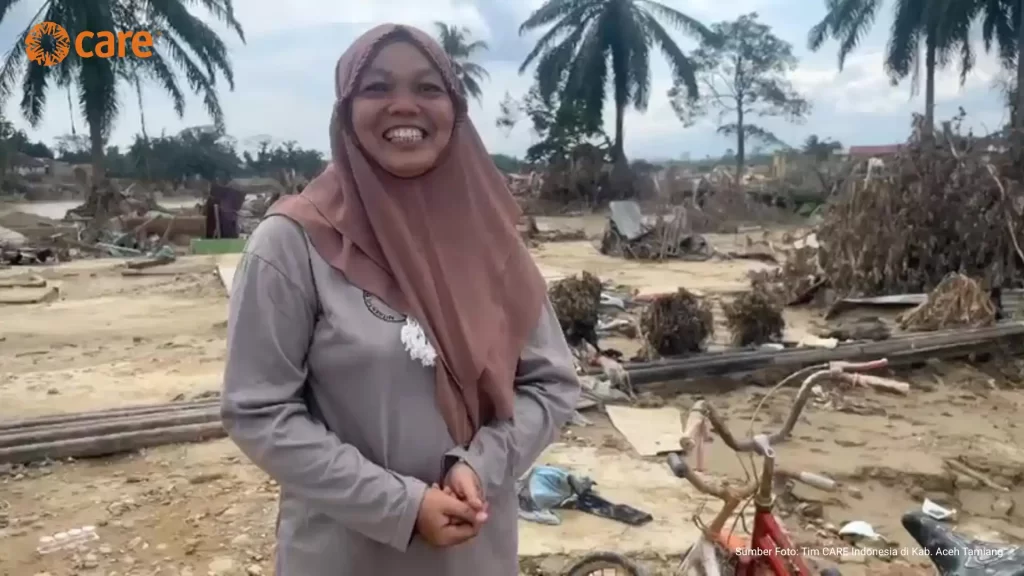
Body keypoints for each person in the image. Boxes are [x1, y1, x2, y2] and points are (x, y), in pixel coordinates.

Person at [220, 23, 580, 576]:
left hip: (475, 553)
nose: (403, 106)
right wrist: (402, 505)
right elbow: (259, 410)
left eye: (429, 89)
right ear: (346, 109)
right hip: (348, 555)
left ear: (454, 109)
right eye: (377, 88)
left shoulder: (492, 243)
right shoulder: (292, 244)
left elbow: (550, 384)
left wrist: (480, 465)